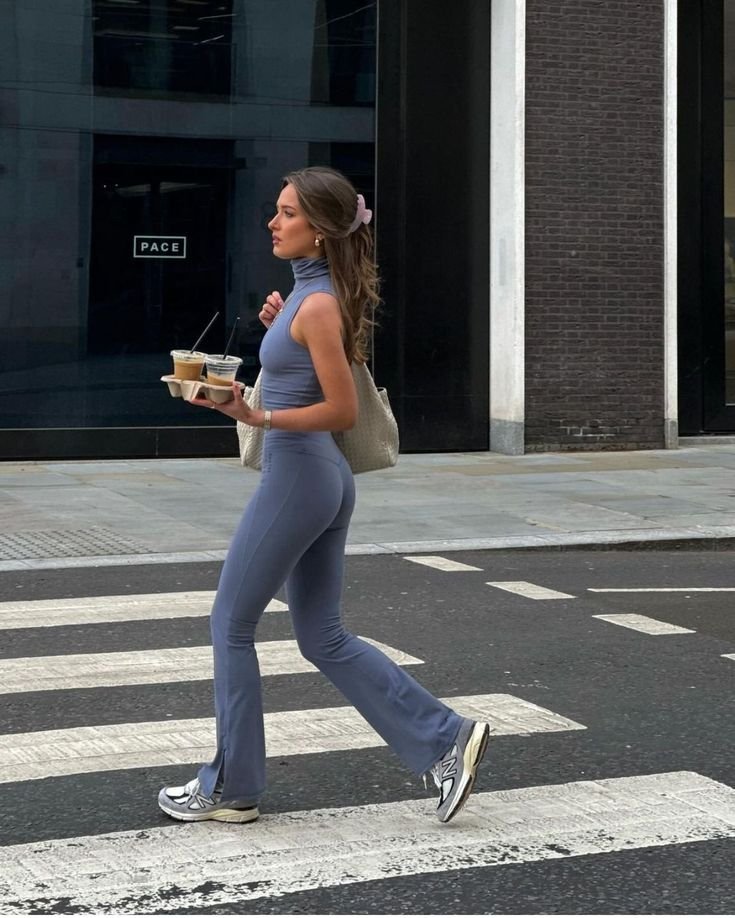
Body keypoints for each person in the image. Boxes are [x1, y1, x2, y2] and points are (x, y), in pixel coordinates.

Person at [157, 166, 489, 826]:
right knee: (321, 635)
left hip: (300, 475)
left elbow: (338, 409)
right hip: (313, 477)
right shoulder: (311, 295)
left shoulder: (317, 304)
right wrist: (249, 384)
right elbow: (302, 374)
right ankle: (442, 739)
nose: (272, 223)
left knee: (230, 623)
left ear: (321, 230)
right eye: (275, 212)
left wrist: (261, 419)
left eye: (286, 214)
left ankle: (231, 787)